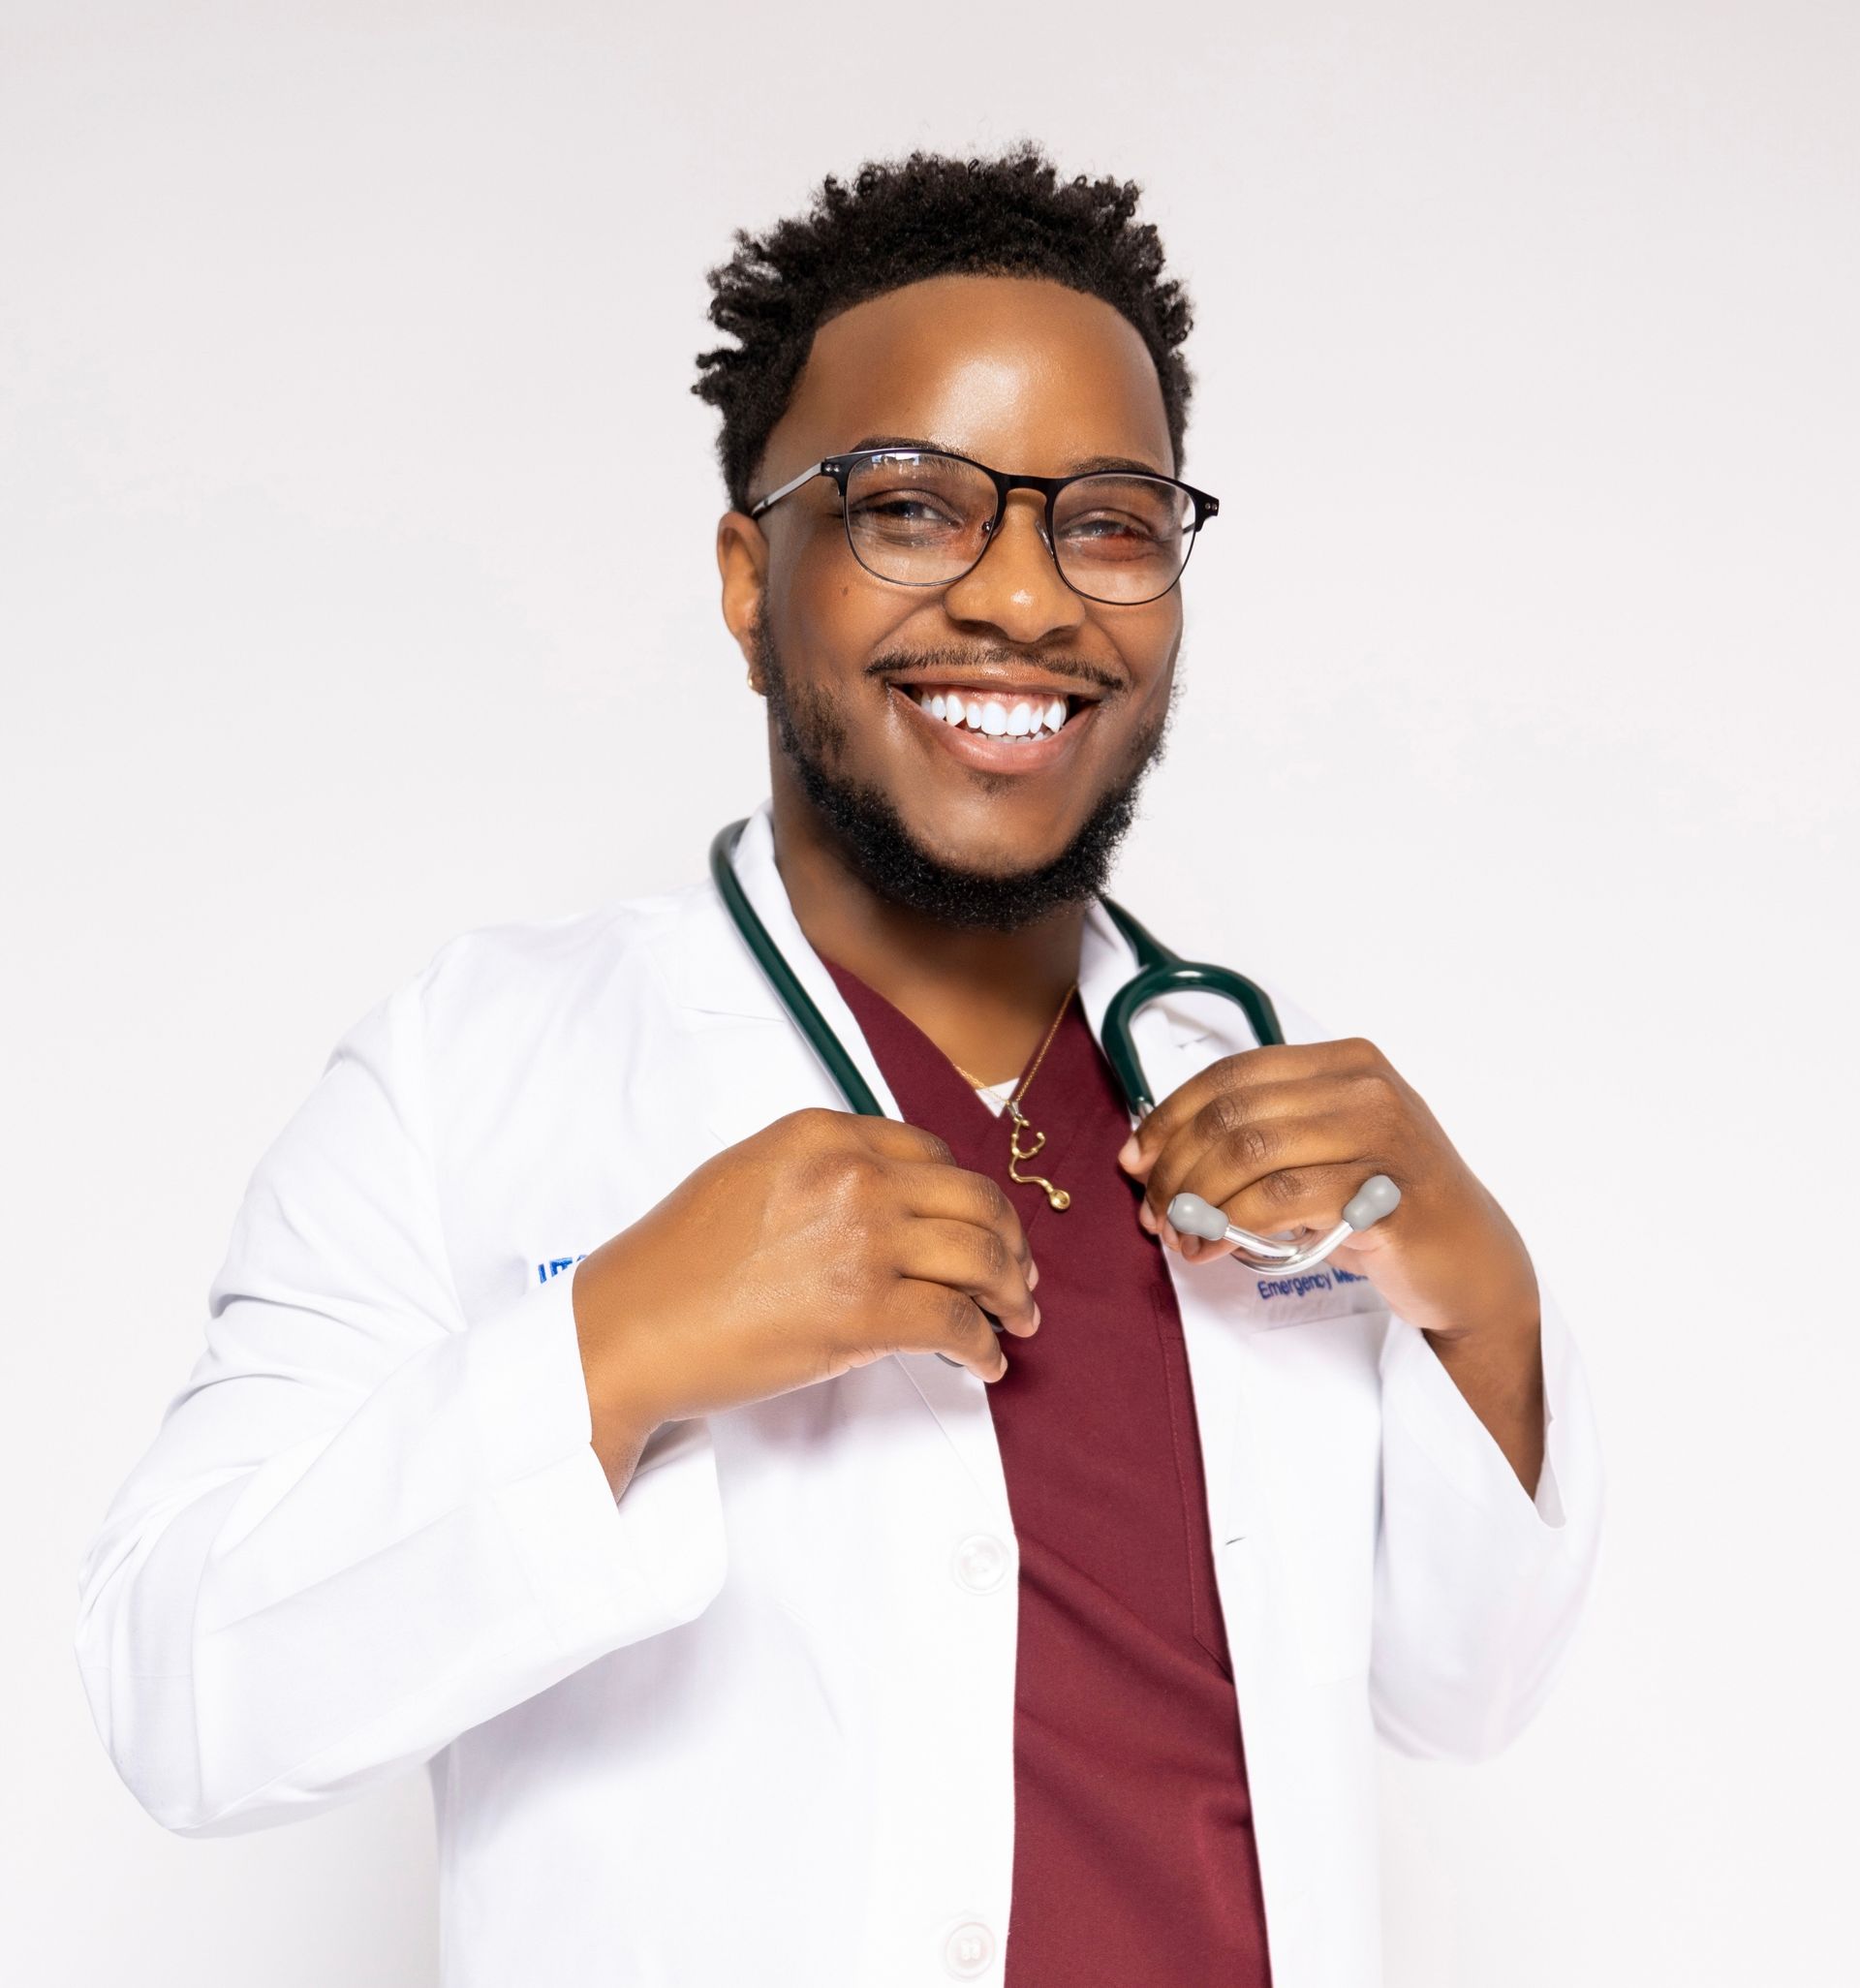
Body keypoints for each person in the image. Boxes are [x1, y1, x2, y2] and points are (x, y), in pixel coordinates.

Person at [75, 141, 1603, 1988]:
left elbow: (1458, 1695)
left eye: (1108, 521)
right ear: (750, 574)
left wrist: (1486, 1307)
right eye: (912, 507)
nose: (1028, 602)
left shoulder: (1256, 1091)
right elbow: (182, 1689)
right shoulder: (470, 1073)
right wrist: (621, 1341)